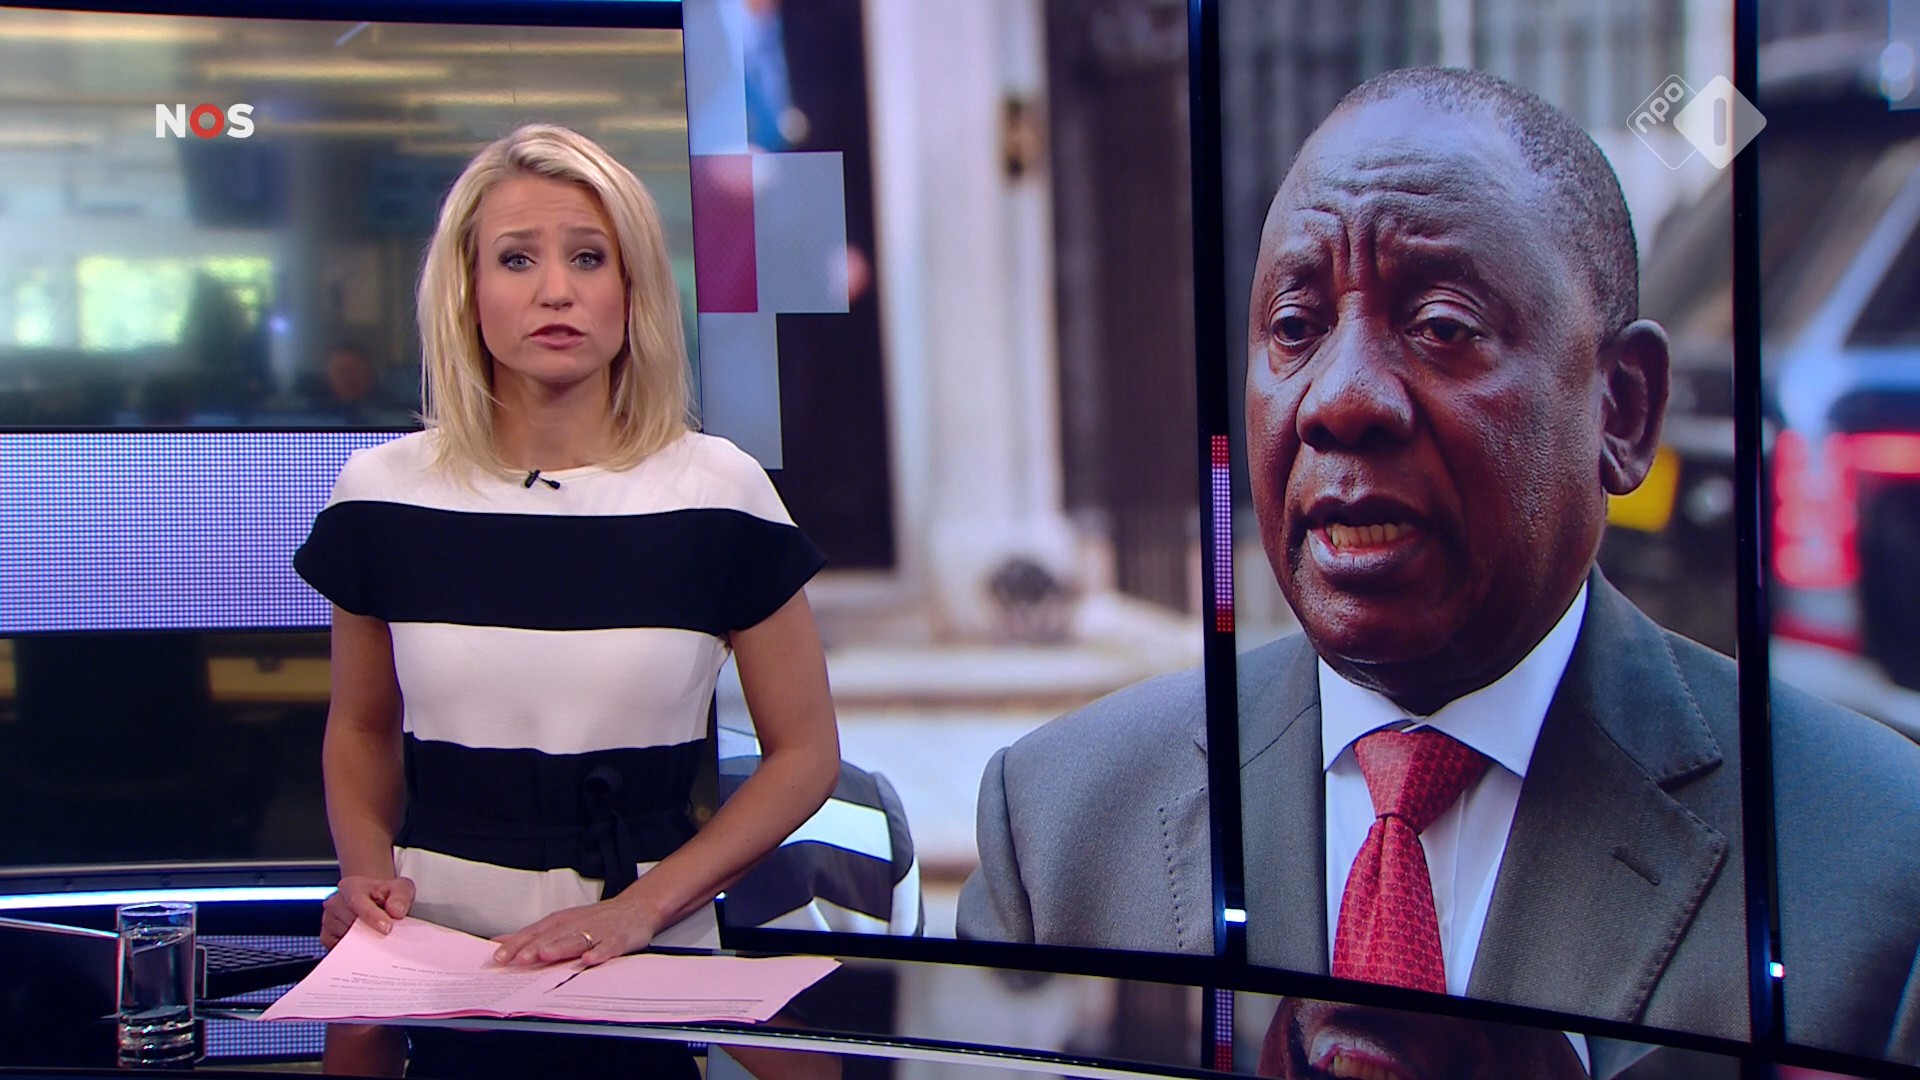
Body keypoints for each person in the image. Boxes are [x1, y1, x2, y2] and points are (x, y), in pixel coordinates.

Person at [957, 67, 1920, 1063]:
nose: (1342, 400)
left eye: (1442, 327)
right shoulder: (1059, 828)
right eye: (1295, 329)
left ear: (1623, 410)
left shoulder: (1881, 880)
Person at [293, 123, 842, 1077]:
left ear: (633, 288)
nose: (557, 290)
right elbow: (362, 729)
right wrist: (367, 876)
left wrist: (638, 912)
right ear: (467, 291)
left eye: (588, 258)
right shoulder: (380, 494)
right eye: (517, 259)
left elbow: (804, 755)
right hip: (440, 959)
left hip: (646, 955)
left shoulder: (719, 491)